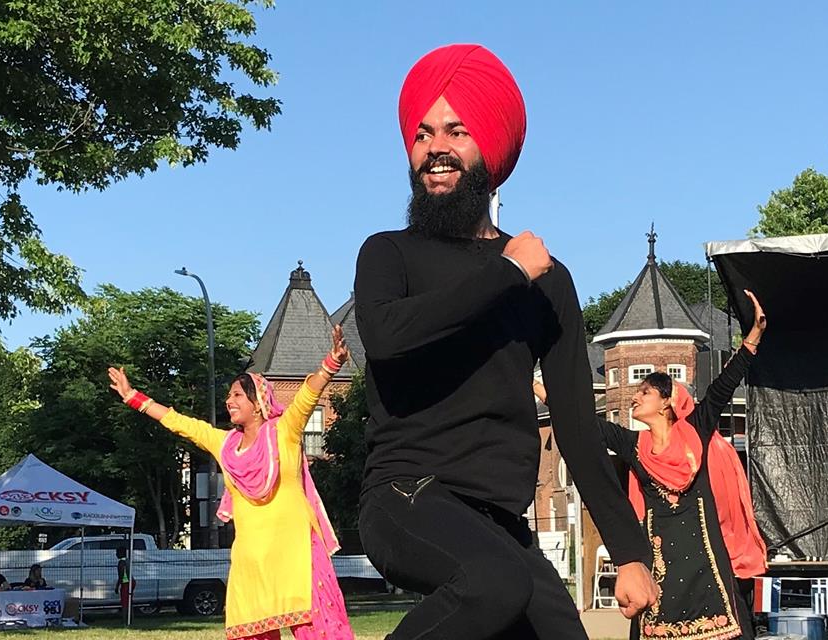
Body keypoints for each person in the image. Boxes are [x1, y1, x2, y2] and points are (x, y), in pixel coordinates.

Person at [353, 43, 656, 639]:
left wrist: (628, 551)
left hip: (498, 522)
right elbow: (388, 337)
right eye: (422, 134)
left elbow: (575, 423)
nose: (435, 147)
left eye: (456, 130)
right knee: (493, 582)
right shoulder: (389, 253)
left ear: (489, 147)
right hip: (405, 494)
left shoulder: (549, 281)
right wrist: (506, 273)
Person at [538, 292, 766, 640]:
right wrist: (546, 393)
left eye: (644, 393)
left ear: (665, 403)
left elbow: (723, 387)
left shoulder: (696, 432)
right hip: (661, 564)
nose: (634, 397)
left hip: (705, 565)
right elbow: (586, 424)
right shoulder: (635, 445)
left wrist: (752, 338)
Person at [107, 326, 354, 639]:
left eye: (237, 395)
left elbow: (307, 397)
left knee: (321, 633)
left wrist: (331, 362)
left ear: (258, 401)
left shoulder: (283, 432)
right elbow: (180, 423)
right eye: (228, 395)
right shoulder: (224, 445)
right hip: (251, 559)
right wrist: (132, 397)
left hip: (296, 554)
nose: (229, 401)